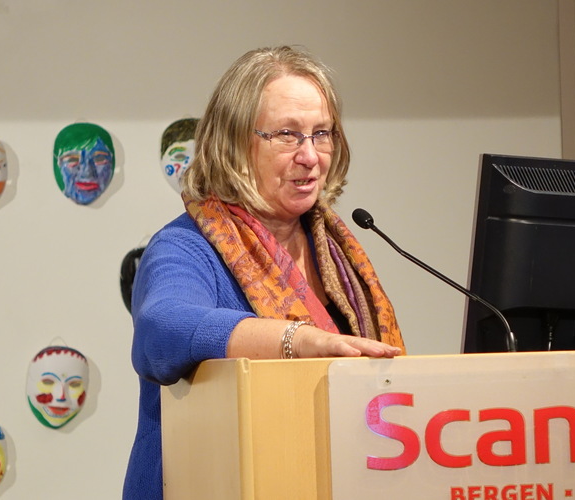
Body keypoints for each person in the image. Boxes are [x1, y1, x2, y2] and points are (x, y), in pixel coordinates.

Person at [123, 46, 405, 500]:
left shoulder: (337, 252)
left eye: (321, 133)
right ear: (234, 143)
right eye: (288, 135)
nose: (310, 156)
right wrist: (296, 339)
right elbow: (162, 329)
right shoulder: (185, 246)